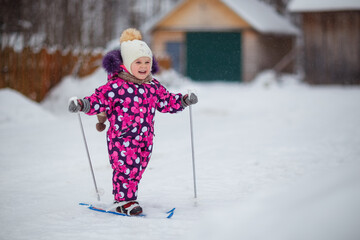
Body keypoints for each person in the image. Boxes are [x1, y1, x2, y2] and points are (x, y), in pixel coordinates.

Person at [68, 28, 198, 216]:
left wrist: (184, 101)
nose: (144, 66)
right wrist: (82, 104)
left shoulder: (153, 86)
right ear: (127, 64)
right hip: (122, 139)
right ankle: (124, 201)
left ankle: (128, 196)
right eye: (138, 62)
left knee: (137, 169)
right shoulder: (116, 87)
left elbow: (167, 101)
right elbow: (98, 100)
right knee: (125, 169)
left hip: (145, 138)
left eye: (147, 62)